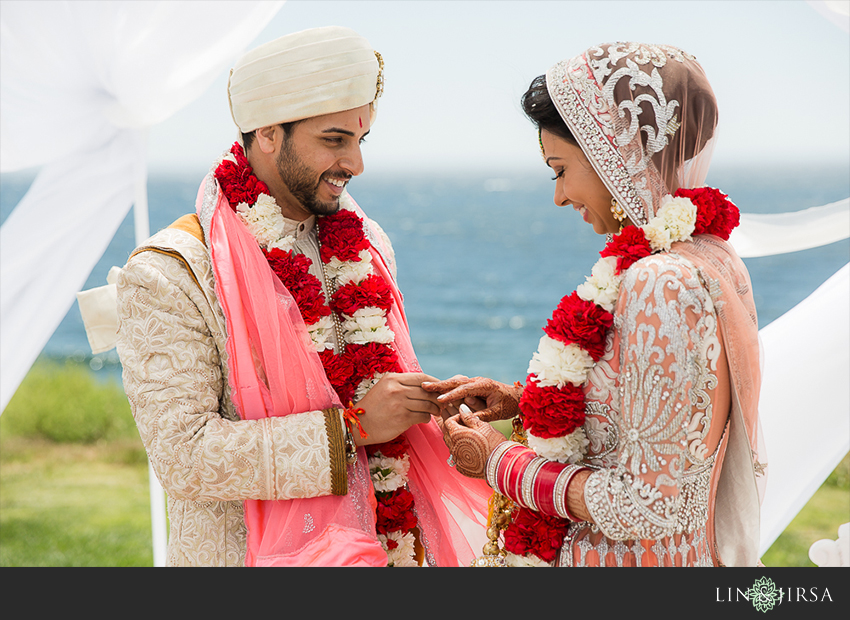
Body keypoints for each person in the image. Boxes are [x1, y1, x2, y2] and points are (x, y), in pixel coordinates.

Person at [115, 26, 490, 567]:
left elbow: (372, 376)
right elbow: (185, 456)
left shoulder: (365, 241)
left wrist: (427, 407)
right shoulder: (172, 272)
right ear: (267, 132)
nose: (355, 164)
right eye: (335, 140)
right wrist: (353, 428)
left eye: (361, 141)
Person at [424, 42, 767, 567]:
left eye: (559, 168)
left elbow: (650, 506)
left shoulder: (660, 280)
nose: (559, 196)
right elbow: (667, 416)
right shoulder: (709, 253)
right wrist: (524, 402)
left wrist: (500, 463)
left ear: (612, 153)